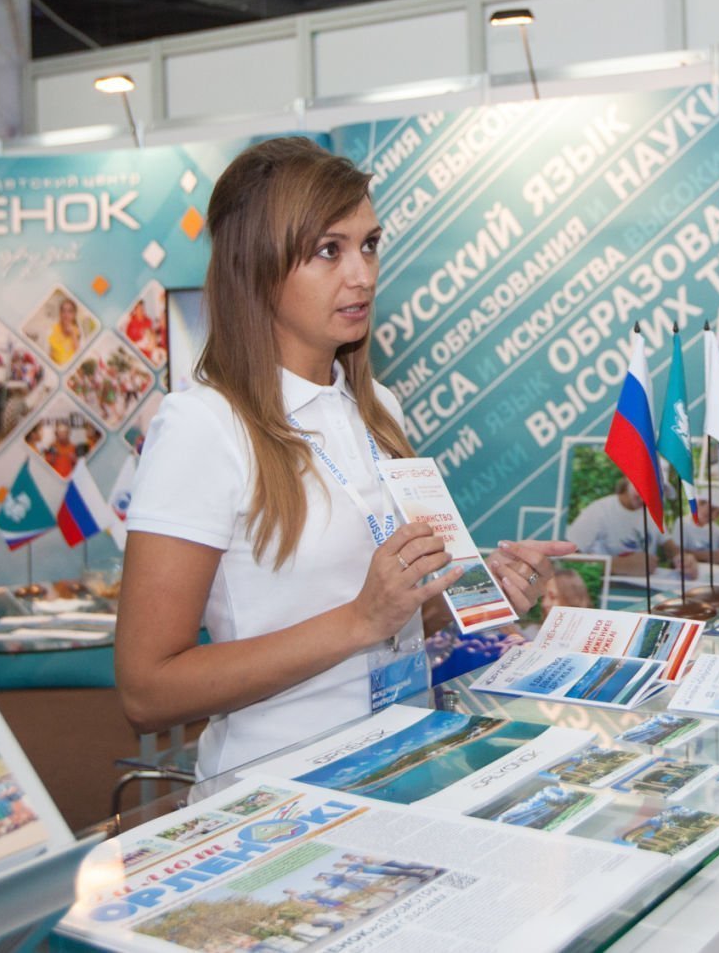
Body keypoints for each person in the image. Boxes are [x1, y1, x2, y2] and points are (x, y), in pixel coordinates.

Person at [117, 137, 572, 779]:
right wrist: (360, 620)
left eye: (369, 245)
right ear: (258, 267)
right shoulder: (203, 427)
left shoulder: (378, 407)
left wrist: (472, 591)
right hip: (277, 799)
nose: (363, 275)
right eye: (329, 250)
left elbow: (391, 615)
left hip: (402, 763)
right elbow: (147, 692)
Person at [565, 477, 695, 576]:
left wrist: (683, 558)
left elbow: (668, 545)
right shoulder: (599, 511)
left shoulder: (652, 514)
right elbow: (566, 557)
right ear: (629, 479)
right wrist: (618, 565)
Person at [46, 298, 82, 366]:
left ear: (74, 314)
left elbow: (78, 354)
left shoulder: (77, 331)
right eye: (63, 310)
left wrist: (73, 334)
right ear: (60, 313)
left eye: (69, 311)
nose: (66, 314)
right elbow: (49, 351)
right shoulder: (53, 328)